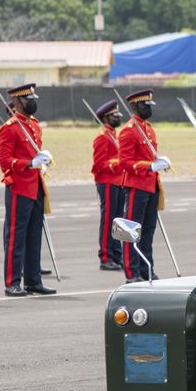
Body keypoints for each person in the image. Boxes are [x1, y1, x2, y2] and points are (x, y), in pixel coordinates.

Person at [0, 83, 55, 296]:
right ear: (17, 101)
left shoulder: (34, 125)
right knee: (16, 236)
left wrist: (42, 161)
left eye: (33, 98)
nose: (32, 102)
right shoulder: (9, 127)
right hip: (19, 186)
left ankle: (33, 280)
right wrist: (29, 163)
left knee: (34, 235)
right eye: (28, 99)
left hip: (36, 185)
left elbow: (35, 154)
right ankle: (12, 282)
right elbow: (4, 161)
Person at [119, 89, 168, 282]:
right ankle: (132, 272)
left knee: (148, 231)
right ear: (134, 106)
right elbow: (125, 162)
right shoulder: (129, 130)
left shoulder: (148, 129)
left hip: (151, 185)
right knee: (132, 231)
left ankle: (146, 267)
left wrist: (158, 164)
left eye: (149, 104)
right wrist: (148, 166)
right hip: (136, 186)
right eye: (144, 104)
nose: (148, 107)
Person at [91, 100, 124, 271]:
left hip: (118, 181)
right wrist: (120, 163)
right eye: (114, 115)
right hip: (107, 182)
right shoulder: (102, 137)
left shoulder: (114, 135)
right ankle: (105, 256)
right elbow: (99, 164)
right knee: (108, 219)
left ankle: (117, 254)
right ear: (106, 118)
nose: (118, 117)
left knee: (118, 220)